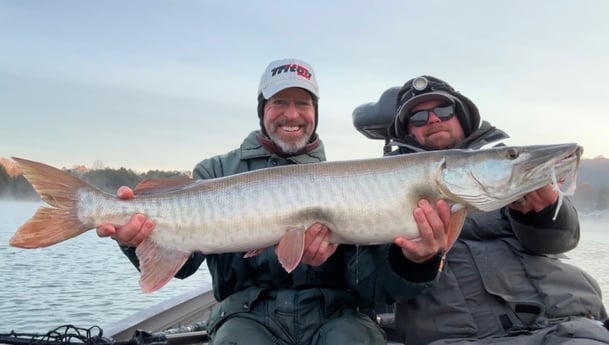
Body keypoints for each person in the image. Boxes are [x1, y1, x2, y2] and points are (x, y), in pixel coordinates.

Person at [96, 59, 449, 345]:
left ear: (315, 111)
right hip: (244, 314)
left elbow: (369, 284)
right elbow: (186, 266)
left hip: (334, 316)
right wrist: (134, 239)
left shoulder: (346, 179)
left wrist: (416, 260)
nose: (292, 114)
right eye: (280, 102)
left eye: (303, 103)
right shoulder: (216, 171)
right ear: (262, 110)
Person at [365, 75, 609, 344]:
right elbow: (374, 283)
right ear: (407, 132)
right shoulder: (379, 189)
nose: (433, 120)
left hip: (564, 324)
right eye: (418, 118)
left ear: (462, 116)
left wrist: (540, 213)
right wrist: (415, 263)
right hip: (456, 337)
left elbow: (561, 241)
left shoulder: (505, 170)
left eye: (443, 110)